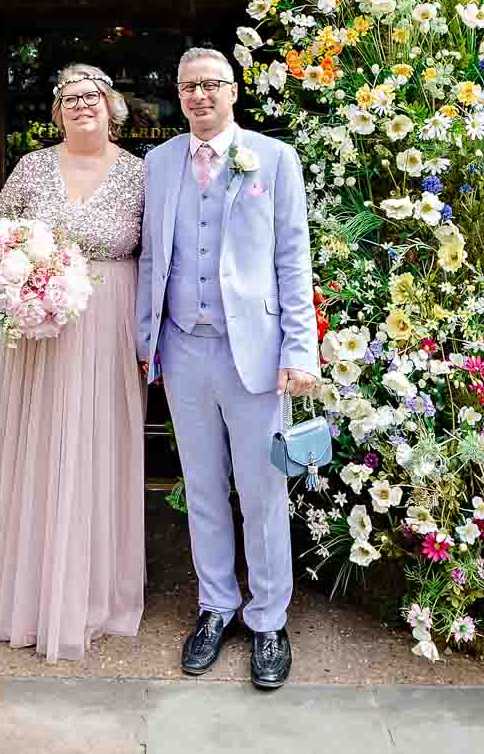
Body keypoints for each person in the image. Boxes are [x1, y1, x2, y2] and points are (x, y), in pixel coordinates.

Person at [136, 47, 318, 689]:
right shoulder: (159, 163)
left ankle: (269, 620)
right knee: (204, 487)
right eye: (189, 86)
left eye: (211, 84)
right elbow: (154, 259)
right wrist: (145, 343)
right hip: (184, 350)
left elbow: (293, 259)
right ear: (179, 94)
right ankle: (216, 607)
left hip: (257, 355)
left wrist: (300, 351)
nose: (200, 96)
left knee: (263, 492)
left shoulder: (272, 159)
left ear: (234, 91)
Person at [0, 63, 147, 660]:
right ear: (56, 110)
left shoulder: (139, 175)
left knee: (98, 446)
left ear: (111, 107)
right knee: (41, 446)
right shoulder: (29, 168)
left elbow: (159, 255)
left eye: (92, 97)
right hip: (39, 332)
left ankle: (96, 592)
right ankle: (30, 592)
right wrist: (19, 285)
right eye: (69, 98)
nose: (81, 107)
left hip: (109, 325)